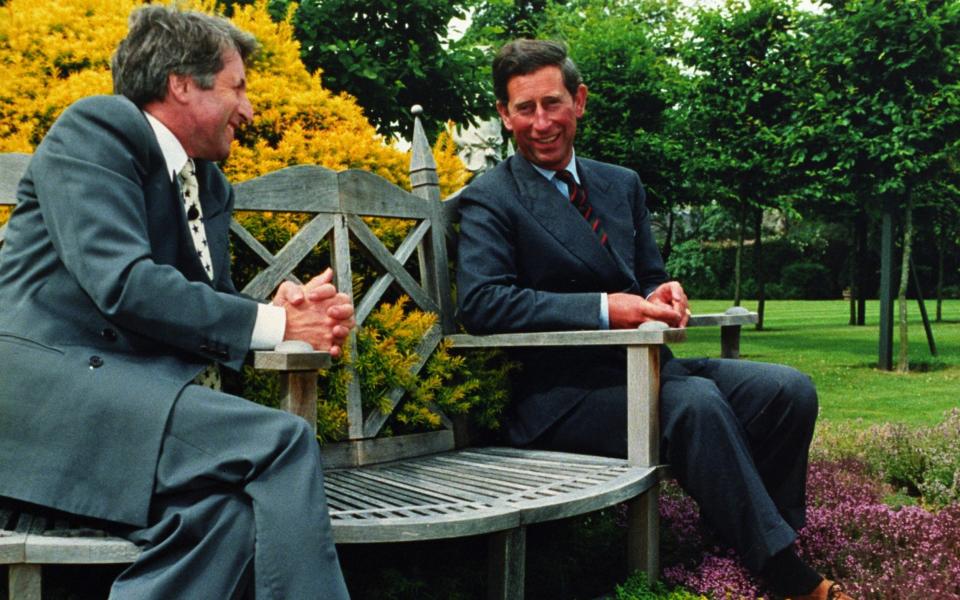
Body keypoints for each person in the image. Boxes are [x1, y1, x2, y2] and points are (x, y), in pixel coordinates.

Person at [456, 39, 853, 600]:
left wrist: (662, 294)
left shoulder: (621, 184)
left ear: (580, 101)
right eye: (524, 109)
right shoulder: (491, 198)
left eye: (552, 103)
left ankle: (747, 540)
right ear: (503, 114)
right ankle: (784, 574)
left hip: (647, 367)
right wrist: (603, 308)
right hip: (556, 397)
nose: (540, 123)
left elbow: (646, 277)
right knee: (697, 404)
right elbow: (484, 303)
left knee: (788, 390)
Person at [0, 6, 353, 599]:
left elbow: (198, 305)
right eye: (238, 87)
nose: (249, 109)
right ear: (181, 84)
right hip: (40, 403)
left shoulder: (206, 181)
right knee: (281, 441)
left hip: (124, 410)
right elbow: (125, 284)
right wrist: (272, 322)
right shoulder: (96, 129)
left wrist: (281, 308)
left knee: (224, 518)